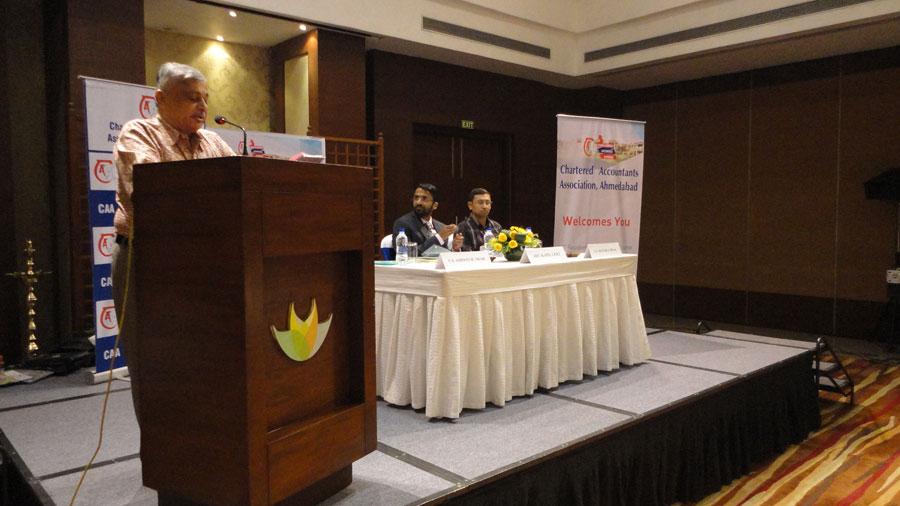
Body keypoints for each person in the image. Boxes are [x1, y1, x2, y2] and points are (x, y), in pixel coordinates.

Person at [111, 62, 235, 425]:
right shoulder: (139, 134)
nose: (202, 106)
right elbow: (154, 192)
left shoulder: (213, 141)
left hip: (204, 264)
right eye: (191, 97)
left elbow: (240, 185)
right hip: (146, 261)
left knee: (201, 358)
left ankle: (199, 440)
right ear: (161, 99)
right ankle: (159, 447)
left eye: (205, 98)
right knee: (153, 362)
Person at [392, 183, 457, 253]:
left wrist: (455, 248)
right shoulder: (403, 223)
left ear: (435, 205)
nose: (418, 202)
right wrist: (438, 238)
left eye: (424, 199)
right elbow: (406, 252)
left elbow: (443, 254)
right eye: (416, 198)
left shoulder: (441, 227)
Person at [454, 188, 502, 252]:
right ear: (470, 205)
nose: (484, 206)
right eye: (480, 203)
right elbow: (465, 255)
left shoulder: (496, 226)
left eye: (487, 203)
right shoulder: (462, 228)